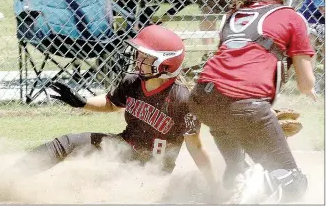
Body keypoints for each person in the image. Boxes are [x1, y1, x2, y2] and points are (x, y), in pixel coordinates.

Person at [14, 25, 216, 189]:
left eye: (144, 57)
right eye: (138, 54)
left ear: (165, 64)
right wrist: (82, 102)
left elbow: (195, 147)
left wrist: (213, 186)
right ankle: (9, 176)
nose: (137, 60)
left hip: (151, 170)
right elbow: (112, 103)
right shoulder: (133, 81)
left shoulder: (182, 99)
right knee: (67, 143)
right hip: (122, 147)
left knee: (90, 183)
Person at [188, 0, 316, 204]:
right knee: (293, 183)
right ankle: (248, 190)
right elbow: (306, 83)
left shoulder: (232, 16)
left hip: (204, 100)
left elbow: (230, 65)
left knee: (239, 169)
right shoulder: (291, 17)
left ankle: (237, 178)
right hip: (244, 106)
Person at [297, 0, 325, 91]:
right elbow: (324, 10)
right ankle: (312, 79)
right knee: (311, 41)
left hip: (322, 23)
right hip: (310, 21)